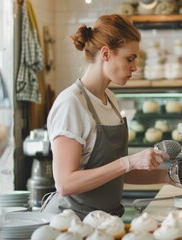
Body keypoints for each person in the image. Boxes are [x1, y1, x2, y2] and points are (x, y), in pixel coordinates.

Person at [41, 14, 169, 219]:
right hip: (72, 224)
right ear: (106, 53)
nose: (135, 67)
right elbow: (65, 183)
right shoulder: (71, 104)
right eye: (130, 58)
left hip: (105, 221)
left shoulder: (110, 99)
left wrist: (169, 176)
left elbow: (115, 172)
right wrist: (129, 161)